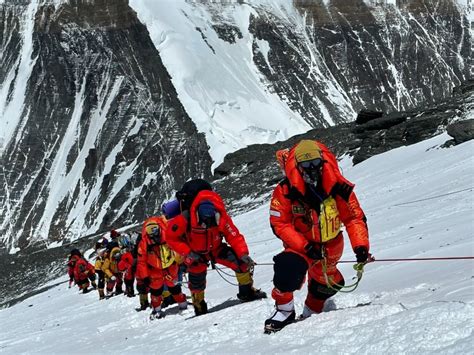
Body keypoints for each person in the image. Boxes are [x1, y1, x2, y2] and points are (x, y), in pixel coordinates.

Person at [264, 139, 370, 333]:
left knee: (325, 283)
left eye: (316, 163)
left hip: (331, 246)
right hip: (300, 246)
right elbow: (280, 223)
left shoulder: (339, 187)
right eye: (306, 164)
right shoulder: (286, 190)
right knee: (287, 270)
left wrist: (361, 247)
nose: (312, 168)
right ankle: (284, 311)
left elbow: (354, 218)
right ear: (298, 166)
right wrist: (305, 247)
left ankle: (312, 309)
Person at [166, 179, 266, 317]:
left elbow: (234, 235)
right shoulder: (185, 218)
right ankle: (199, 305)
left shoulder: (220, 215)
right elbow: (170, 237)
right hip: (196, 254)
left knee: (241, 263)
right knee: (196, 281)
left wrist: (243, 253)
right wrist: (188, 252)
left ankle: (246, 293)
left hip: (216, 249)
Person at [137, 216, 188, 319]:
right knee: (156, 291)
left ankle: (183, 305)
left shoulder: (168, 236)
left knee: (175, 288)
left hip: (170, 267)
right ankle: (157, 310)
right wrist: (145, 276)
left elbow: (178, 248)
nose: (152, 233)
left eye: (154, 229)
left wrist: (183, 261)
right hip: (154, 270)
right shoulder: (144, 242)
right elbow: (141, 261)